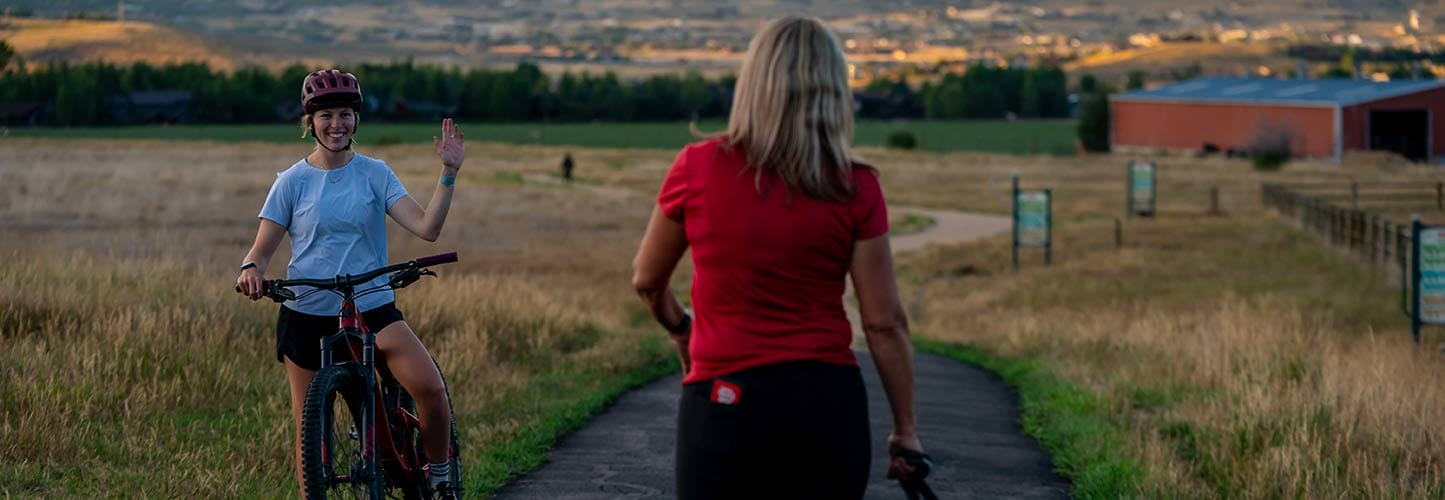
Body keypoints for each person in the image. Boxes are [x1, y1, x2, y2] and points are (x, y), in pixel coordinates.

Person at [630, 17, 927, 499]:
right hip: (826, 406)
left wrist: (683, 330)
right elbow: (884, 322)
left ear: (753, 84)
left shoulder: (696, 168)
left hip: (723, 402)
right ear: (833, 92)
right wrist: (906, 430)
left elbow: (647, 279)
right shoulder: (856, 186)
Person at [234, 69, 464, 497]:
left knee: (430, 389)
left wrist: (448, 173)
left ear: (356, 120)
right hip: (307, 311)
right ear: (310, 123)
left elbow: (428, 228)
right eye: (325, 115)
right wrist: (251, 269)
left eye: (344, 114)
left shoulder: (375, 174)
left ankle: (439, 476)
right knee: (310, 437)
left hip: (371, 305)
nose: (335, 124)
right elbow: (261, 249)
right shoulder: (291, 182)